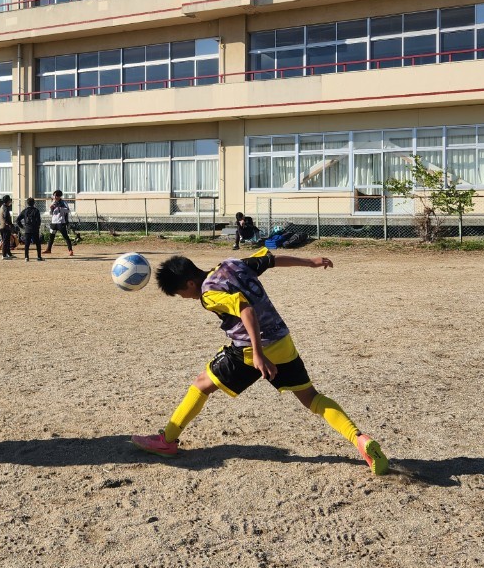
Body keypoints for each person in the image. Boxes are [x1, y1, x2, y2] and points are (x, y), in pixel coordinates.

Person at [131, 248, 389, 476]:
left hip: (249, 352)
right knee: (312, 398)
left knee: (201, 384)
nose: (184, 298)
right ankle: (361, 440)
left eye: (180, 294)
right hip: (282, 341)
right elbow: (271, 260)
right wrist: (310, 261)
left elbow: (246, 309)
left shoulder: (209, 295)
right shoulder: (232, 264)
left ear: (189, 283)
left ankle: (167, 440)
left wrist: (257, 354)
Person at [44, 190, 75, 256]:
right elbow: (50, 213)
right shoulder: (53, 202)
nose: (55, 197)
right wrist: (51, 208)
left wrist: (60, 208)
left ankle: (70, 250)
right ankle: (48, 249)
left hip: (61, 222)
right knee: (51, 237)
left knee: (65, 236)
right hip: (54, 222)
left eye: (56, 195)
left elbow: (68, 210)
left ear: (59, 196)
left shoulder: (63, 202)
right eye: (54, 195)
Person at [16, 197, 44, 261]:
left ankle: (26, 257)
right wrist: (38, 226)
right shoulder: (36, 210)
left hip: (27, 229)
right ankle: (39, 257)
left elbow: (17, 220)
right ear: (34, 203)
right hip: (35, 229)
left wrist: (22, 226)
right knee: (37, 243)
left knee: (27, 244)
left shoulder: (25, 211)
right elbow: (39, 220)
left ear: (27, 203)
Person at [0, 195, 14, 260]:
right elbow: (6, 216)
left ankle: (8, 253)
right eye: (10, 199)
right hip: (5, 226)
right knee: (6, 241)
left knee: (6, 240)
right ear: (8, 200)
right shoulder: (5, 208)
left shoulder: (2, 206)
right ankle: (4, 255)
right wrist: (10, 224)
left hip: (2, 226)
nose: (10, 200)